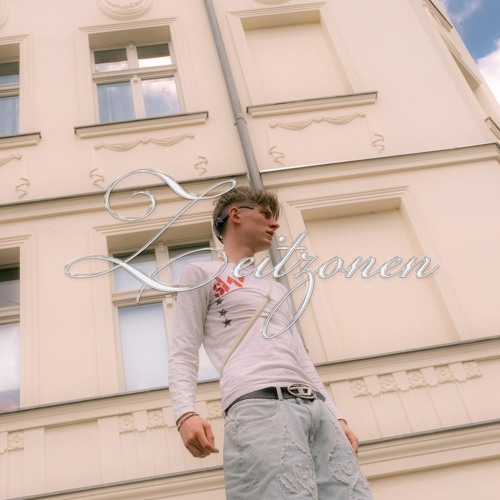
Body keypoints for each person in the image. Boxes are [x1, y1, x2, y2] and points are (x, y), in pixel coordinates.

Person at [168, 186, 373, 499]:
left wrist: (336, 416)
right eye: (265, 214)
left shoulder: (276, 288)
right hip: (259, 403)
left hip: (314, 407)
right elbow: (183, 350)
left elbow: (300, 357)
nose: (275, 224)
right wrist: (185, 413)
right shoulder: (202, 273)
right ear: (235, 215)